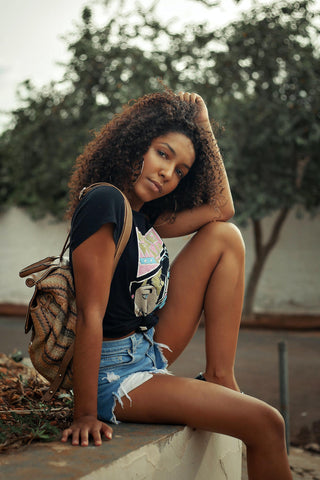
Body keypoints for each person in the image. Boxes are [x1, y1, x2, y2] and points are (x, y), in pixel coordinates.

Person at [61, 91, 292, 479]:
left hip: (148, 344)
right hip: (115, 374)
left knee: (225, 236)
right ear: (136, 144)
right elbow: (90, 313)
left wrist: (202, 123)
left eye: (181, 170)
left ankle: (220, 374)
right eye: (163, 154)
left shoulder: (145, 215)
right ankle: (207, 385)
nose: (169, 173)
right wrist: (85, 413)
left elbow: (222, 208)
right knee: (267, 424)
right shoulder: (105, 203)